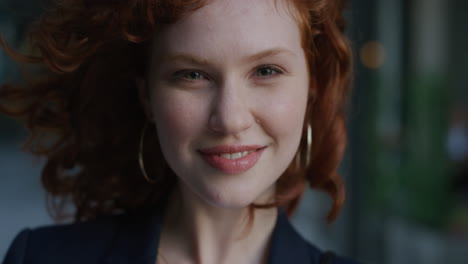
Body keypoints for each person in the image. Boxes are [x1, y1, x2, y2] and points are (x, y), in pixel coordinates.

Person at [0, 0, 360, 263]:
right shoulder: (38, 257)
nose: (230, 119)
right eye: (192, 75)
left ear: (311, 89)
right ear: (147, 97)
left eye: (266, 71)